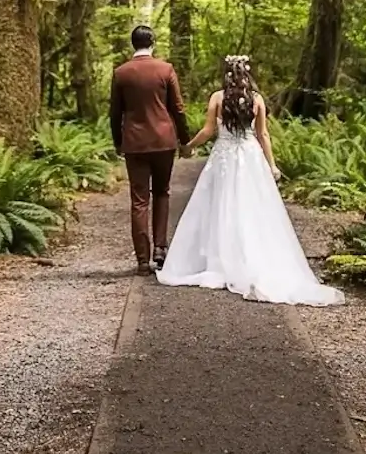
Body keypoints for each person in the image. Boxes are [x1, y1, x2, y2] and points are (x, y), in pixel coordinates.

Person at [157, 54, 346, 306]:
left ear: (226, 74)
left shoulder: (217, 97)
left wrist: (189, 146)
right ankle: (248, 257)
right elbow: (263, 134)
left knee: (219, 206)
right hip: (249, 157)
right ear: (247, 74)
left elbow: (208, 130)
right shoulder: (257, 100)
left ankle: (221, 259)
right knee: (251, 207)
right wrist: (272, 164)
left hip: (224, 158)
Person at [109, 24, 190, 275]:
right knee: (162, 192)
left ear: (133, 44)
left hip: (134, 143)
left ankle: (143, 260)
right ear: (152, 42)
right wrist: (185, 139)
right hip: (164, 141)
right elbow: (177, 107)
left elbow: (115, 112)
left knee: (139, 200)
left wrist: (118, 142)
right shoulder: (165, 69)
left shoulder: (121, 73)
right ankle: (161, 249)